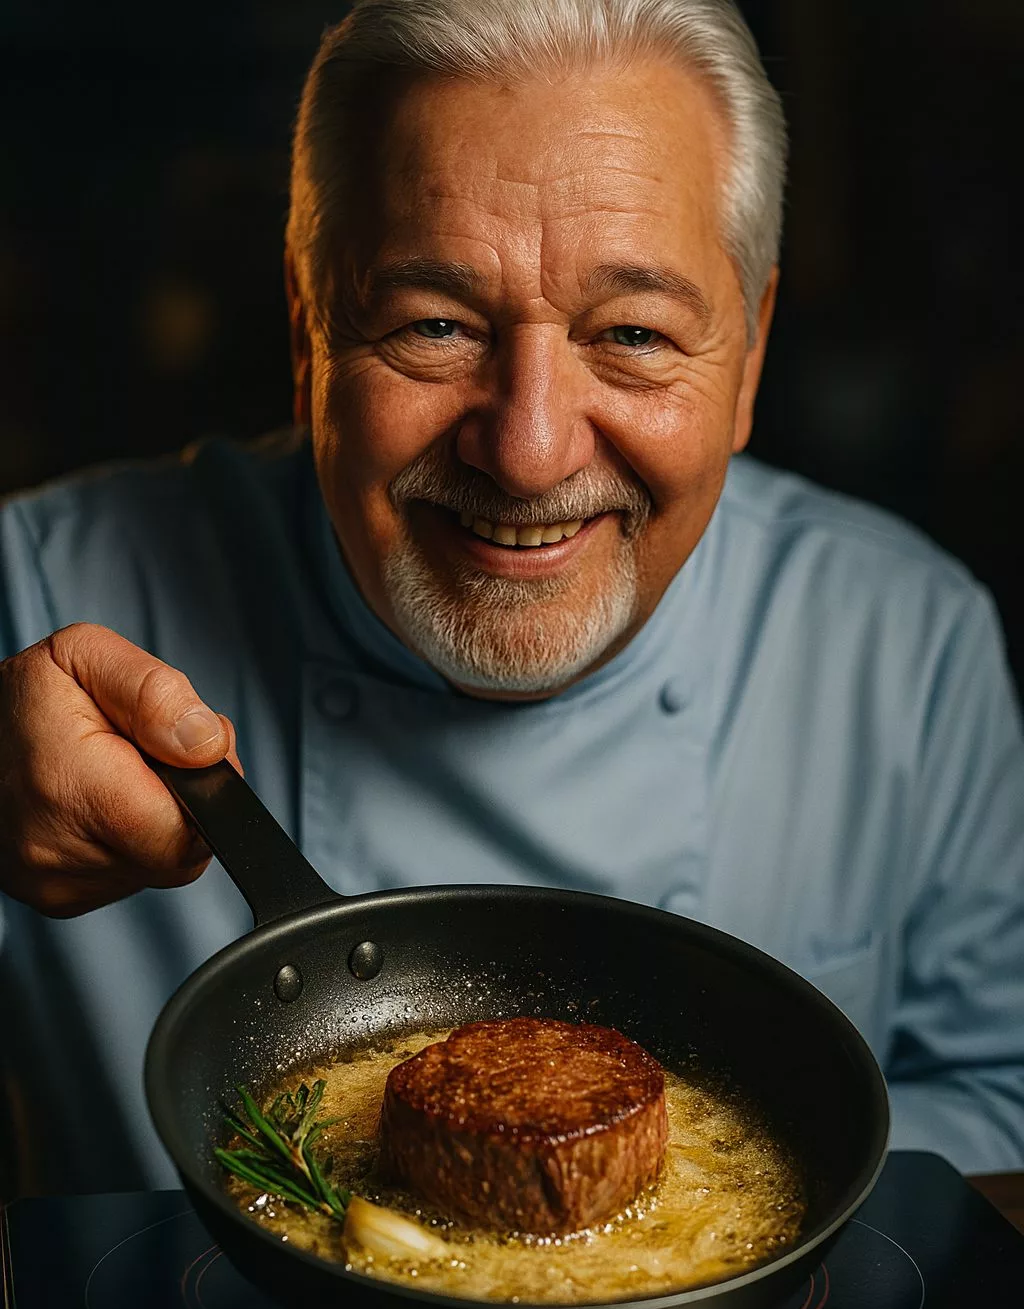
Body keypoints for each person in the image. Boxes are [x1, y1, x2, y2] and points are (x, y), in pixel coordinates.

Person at [0, 0, 1021, 1197]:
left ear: (746, 360)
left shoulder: (906, 643)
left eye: (632, 333)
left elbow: (1005, 1098)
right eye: (434, 325)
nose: (529, 451)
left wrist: (681, 1226)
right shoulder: (35, 598)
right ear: (305, 324)